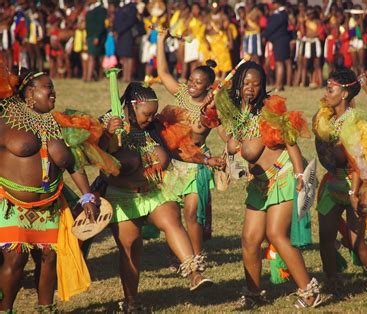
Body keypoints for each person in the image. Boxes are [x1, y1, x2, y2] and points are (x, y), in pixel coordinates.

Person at [98, 82, 223, 311]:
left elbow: (177, 149)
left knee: (171, 220)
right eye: (146, 114)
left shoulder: (154, 126)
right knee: (131, 248)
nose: (150, 118)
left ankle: (194, 273)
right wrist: (108, 134)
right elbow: (97, 155)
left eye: (153, 113)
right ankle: (131, 302)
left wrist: (206, 160)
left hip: (154, 190)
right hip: (123, 196)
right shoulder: (110, 121)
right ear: (132, 106)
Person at [218, 61, 321, 309]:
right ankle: (253, 294)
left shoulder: (268, 109)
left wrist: (299, 174)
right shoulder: (238, 113)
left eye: (256, 83)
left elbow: (289, 141)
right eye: (246, 83)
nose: (251, 88)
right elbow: (231, 140)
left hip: (284, 175)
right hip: (260, 184)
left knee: (276, 234)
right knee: (249, 239)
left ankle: (309, 292)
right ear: (238, 85)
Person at [0, 68, 99, 312]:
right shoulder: (5, 119)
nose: (53, 92)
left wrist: (87, 196)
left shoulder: (59, 124)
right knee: (15, 259)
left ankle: (46, 309)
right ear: (30, 93)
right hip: (12, 204)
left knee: (49, 259)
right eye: (48, 87)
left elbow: (72, 163)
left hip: (51, 206)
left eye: (53, 87)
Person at [313, 68, 367, 296]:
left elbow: (360, 164)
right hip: (331, 184)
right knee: (325, 239)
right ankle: (332, 281)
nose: (326, 92)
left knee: (357, 242)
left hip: (355, 186)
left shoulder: (355, 122)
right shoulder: (327, 119)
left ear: (344, 94)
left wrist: (355, 193)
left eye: (330, 89)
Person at [157, 30, 226, 260]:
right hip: (175, 162)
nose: (193, 85)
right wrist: (160, 39)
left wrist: (213, 111)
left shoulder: (212, 105)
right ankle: (181, 256)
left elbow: (225, 134)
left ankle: (197, 257)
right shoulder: (182, 94)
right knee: (173, 214)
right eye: (191, 80)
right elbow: (163, 72)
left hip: (197, 164)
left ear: (208, 87)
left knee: (192, 213)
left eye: (199, 83)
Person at [263, 0, 291, 92]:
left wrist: (264, 34)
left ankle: (279, 85)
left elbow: (271, 27)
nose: (272, 5)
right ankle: (278, 84)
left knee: (279, 63)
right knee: (279, 62)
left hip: (280, 41)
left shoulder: (280, 14)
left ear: (278, 4)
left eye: (274, 3)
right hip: (278, 41)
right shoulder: (280, 14)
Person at [85, 0, 107, 81]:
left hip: (97, 36)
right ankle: (93, 76)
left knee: (93, 56)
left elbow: (101, 24)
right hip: (90, 36)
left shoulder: (101, 9)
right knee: (92, 56)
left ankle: (89, 77)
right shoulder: (90, 9)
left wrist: (97, 36)